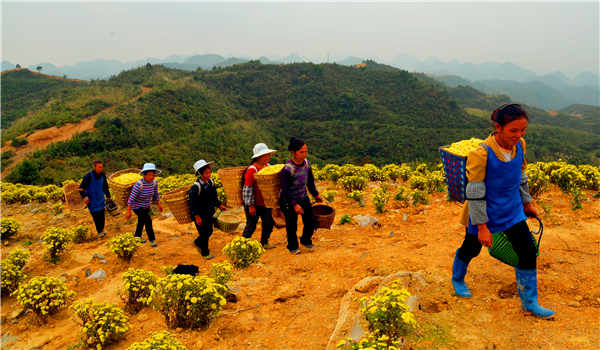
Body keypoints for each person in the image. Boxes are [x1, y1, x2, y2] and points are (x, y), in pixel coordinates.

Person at [452, 104, 554, 318]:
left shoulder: (520, 146)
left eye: (523, 130)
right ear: (498, 127)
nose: (519, 135)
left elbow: (521, 176)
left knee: (527, 250)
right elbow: (475, 191)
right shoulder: (481, 153)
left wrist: (527, 203)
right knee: (471, 249)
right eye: (513, 130)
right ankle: (458, 279)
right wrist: (482, 227)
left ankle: (530, 302)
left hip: (512, 209)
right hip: (484, 212)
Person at [279, 137, 323, 254]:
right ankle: (292, 246)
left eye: (306, 151)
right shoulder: (288, 169)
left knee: (310, 220)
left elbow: (310, 182)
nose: (304, 154)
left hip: (303, 197)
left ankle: (305, 239)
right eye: (301, 152)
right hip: (288, 200)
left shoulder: (307, 163)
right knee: (291, 224)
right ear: (293, 153)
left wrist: (316, 195)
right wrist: (294, 205)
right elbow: (285, 190)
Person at [189, 159, 226, 260]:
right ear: (200, 174)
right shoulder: (196, 187)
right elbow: (192, 204)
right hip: (200, 214)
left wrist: (219, 205)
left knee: (209, 230)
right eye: (206, 173)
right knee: (204, 233)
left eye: (210, 172)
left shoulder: (211, 183)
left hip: (209, 212)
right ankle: (205, 253)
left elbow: (214, 197)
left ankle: (198, 242)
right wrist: (196, 216)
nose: (209, 174)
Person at [241, 143, 277, 249]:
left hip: (265, 202)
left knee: (268, 223)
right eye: (266, 155)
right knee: (251, 225)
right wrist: (250, 205)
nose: (268, 157)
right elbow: (247, 189)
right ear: (259, 157)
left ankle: (264, 242)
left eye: (268, 154)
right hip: (254, 203)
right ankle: (242, 244)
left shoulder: (268, 167)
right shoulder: (252, 169)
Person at [125, 163, 163, 247]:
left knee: (141, 221)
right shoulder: (139, 185)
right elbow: (131, 198)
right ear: (144, 175)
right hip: (137, 206)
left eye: (153, 175)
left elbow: (156, 194)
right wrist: (129, 211)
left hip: (146, 205)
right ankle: (152, 239)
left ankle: (137, 237)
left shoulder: (154, 183)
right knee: (147, 221)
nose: (152, 177)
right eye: (149, 175)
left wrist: (159, 204)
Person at [79, 160, 111, 238]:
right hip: (92, 201)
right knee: (96, 216)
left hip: (100, 199)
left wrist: (108, 195)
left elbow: (105, 186)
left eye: (102, 167)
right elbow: (81, 189)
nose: (101, 168)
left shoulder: (103, 175)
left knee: (102, 215)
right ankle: (99, 231)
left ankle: (101, 230)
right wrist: (85, 196)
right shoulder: (88, 176)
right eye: (99, 167)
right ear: (94, 167)